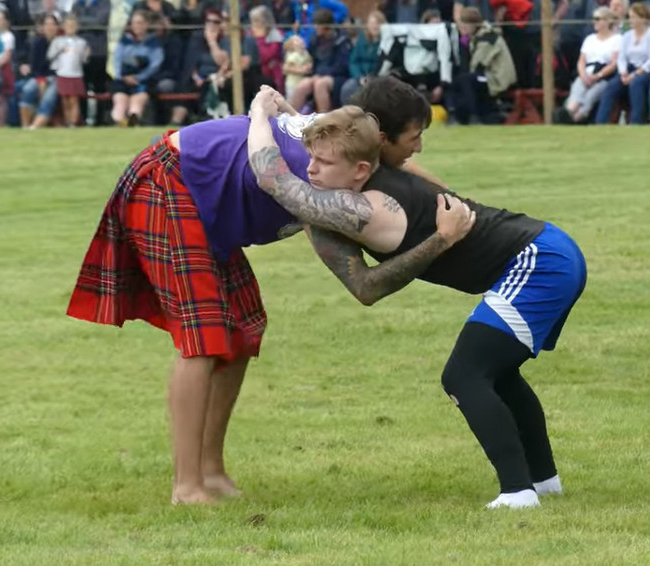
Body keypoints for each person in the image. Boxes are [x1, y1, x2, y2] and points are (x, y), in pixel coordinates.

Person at [66, 97, 476, 505]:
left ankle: (211, 471)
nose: (417, 148)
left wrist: (468, 209)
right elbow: (360, 276)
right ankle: (187, 486)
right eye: (414, 137)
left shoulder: (352, 150)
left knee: (243, 327)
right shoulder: (320, 169)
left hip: (202, 196)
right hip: (169, 180)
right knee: (204, 336)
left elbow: (409, 174)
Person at [247, 83, 587, 509]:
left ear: (360, 167)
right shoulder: (372, 173)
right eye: (312, 157)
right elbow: (334, 151)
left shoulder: (370, 207)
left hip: (540, 262)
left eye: (322, 161)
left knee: (464, 376)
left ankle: (518, 493)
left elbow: (272, 178)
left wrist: (260, 113)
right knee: (498, 374)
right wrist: (295, 114)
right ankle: (543, 482)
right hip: (550, 250)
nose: (312, 168)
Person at [594, 2, 650, 125]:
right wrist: (623, 72)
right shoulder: (627, 36)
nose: (630, 20)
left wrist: (635, 74)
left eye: (633, 17)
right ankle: (600, 122)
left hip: (648, 71)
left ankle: (636, 122)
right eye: (630, 17)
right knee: (611, 86)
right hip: (629, 69)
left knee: (636, 84)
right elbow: (621, 58)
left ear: (642, 18)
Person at [558, 7, 621, 124]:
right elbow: (581, 60)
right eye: (594, 19)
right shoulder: (590, 39)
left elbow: (613, 64)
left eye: (598, 19)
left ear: (607, 21)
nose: (595, 22)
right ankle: (567, 114)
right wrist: (583, 75)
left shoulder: (617, 39)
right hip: (587, 72)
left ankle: (573, 121)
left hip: (604, 76)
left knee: (590, 97)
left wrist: (598, 76)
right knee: (577, 92)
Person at [48, 14, 89, 127]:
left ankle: (73, 122)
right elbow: (50, 56)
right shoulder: (58, 41)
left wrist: (85, 54)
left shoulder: (81, 42)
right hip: (62, 73)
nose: (70, 27)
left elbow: (84, 59)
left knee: (73, 99)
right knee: (65, 100)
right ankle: (67, 121)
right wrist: (60, 50)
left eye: (73, 25)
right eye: (68, 25)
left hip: (75, 74)